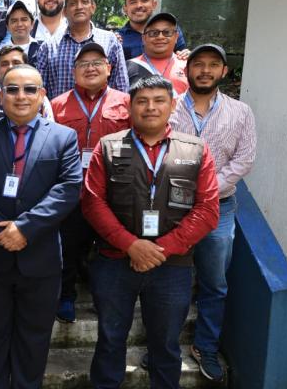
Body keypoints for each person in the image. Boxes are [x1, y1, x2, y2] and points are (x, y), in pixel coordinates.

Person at [82, 75, 219, 388]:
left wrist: (161, 249)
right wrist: (131, 245)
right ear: (130, 107)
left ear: (172, 105)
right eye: (141, 101)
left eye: (159, 100)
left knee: (166, 345)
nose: (150, 107)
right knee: (109, 340)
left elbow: (208, 210)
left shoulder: (196, 150)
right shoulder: (109, 146)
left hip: (172, 267)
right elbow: (92, 203)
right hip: (114, 262)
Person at [0, 65, 83, 388]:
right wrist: (1, 230)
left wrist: (24, 228)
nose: (21, 96)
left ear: (42, 95)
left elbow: (68, 189)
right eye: (12, 89)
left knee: (33, 341)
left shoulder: (63, 138)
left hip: (39, 257)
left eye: (30, 89)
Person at [169, 43, 257, 382]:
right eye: (198, 64)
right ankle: (162, 344)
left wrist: (206, 190)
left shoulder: (241, 112)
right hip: (172, 207)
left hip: (219, 208)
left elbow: (244, 160)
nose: (205, 70)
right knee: (167, 279)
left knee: (215, 282)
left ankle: (205, 345)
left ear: (224, 71)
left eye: (213, 64)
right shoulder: (170, 107)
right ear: (188, 70)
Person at [50, 42, 130, 323]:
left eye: (97, 62)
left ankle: (104, 298)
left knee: (109, 248)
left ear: (109, 68)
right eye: (83, 64)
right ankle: (66, 296)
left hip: (112, 191)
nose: (91, 68)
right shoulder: (57, 104)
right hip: (72, 189)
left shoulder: (126, 102)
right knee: (68, 246)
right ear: (74, 72)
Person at [36, 0, 128, 100]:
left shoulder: (111, 41)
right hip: (59, 116)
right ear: (64, 12)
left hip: (103, 116)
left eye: (84, 1)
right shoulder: (48, 47)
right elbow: (40, 93)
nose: (79, 7)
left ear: (93, 7)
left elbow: (121, 87)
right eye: (73, 3)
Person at [0, 45, 53, 126]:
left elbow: (50, 131)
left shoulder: (40, 98)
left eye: (16, 63)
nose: (10, 67)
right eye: (4, 64)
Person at [126, 13, 189, 96]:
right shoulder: (128, 67)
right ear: (144, 38)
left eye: (167, 32)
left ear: (176, 37)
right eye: (154, 33)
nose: (160, 37)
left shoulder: (188, 65)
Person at [118, 0, 187, 61]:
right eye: (133, 2)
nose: (139, 5)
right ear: (125, 8)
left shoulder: (170, 30)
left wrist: (187, 56)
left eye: (144, 0)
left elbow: (181, 57)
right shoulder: (117, 39)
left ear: (154, 5)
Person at [0, 0, 41, 66]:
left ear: (32, 24)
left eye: (24, 19)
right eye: (14, 21)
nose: (19, 24)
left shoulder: (43, 49)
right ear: (7, 26)